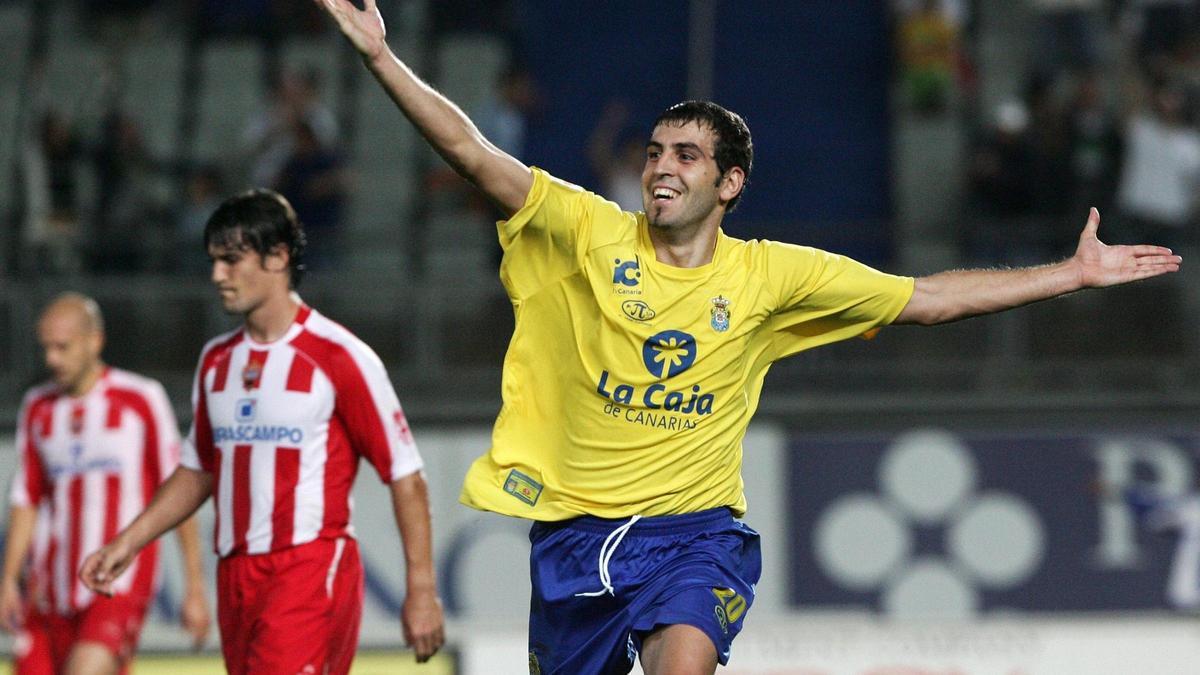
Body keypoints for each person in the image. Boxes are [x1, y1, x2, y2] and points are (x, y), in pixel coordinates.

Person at [315, 2, 1183, 673]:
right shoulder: (587, 230)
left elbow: (926, 297)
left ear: (730, 182)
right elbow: (471, 153)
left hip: (695, 534)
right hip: (572, 535)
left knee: (684, 660)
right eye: (656, 150)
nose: (661, 164)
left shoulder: (773, 276)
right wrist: (383, 57)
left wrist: (1069, 273)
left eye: (686, 155)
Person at [78, 189, 445, 672]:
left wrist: (421, 590)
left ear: (278, 257)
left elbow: (405, 475)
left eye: (231, 260)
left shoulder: (339, 356)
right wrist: (127, 542)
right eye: (213, 261)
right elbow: (199, 469)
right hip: (236, 576)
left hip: (307, 568)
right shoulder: (217, 360)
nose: (217, 276)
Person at [0, 293, 210, 675]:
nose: (52, 359)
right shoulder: (38, 406)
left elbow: (178, 491)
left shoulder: (141, 399)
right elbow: (26, 499)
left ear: (94, 340)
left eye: (62, 347)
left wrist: (194, 586)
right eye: (46, 347)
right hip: (49, 589)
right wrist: (9, 580)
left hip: (118, 584)